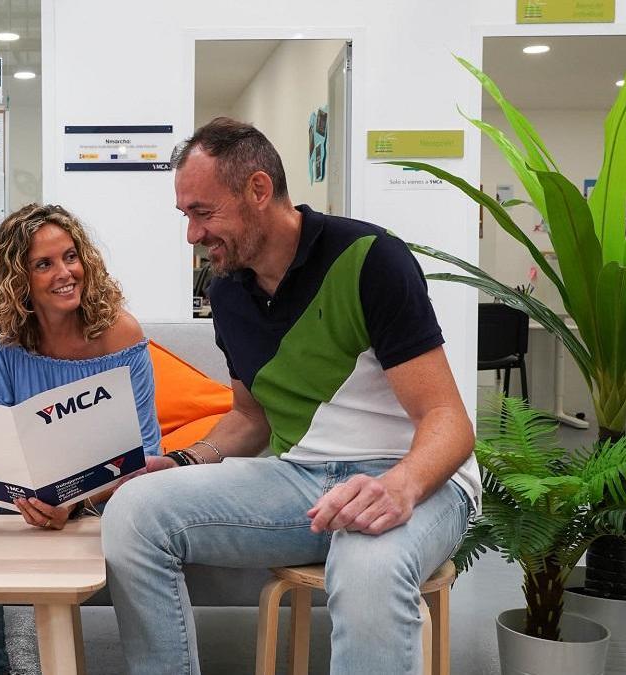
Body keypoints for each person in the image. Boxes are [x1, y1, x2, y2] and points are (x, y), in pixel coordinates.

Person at [100, 117, 479, 675]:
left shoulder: (371, 259)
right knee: (133, 513)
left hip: (415, 479)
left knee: (367, 568)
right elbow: (249, 417)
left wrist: (398, 486)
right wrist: (184, 462)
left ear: (258, 189)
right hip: (299, 480)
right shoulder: (226, 291)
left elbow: (448, 419)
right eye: (186, 216)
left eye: (203, 213)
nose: (193, 235)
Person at [0, 202, 163, 673]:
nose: (65, 272)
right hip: (23, 490)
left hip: (105, 492)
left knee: (139, 508)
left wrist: (72, 499)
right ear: (17, 279)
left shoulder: (120, 333)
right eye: (43, 264)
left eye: (70, 256)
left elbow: (147, 452)